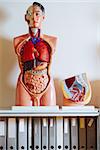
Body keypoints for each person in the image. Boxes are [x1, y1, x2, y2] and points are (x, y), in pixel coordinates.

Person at [14, 2, 57, 106]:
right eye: (30, 13)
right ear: (26, 17)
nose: (34, 17)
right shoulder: (18, 41)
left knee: (49, 118)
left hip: (45, 82)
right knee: (22, 118)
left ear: (43, 17)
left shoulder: (52, 40)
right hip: (25, 83)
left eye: (37, 14)